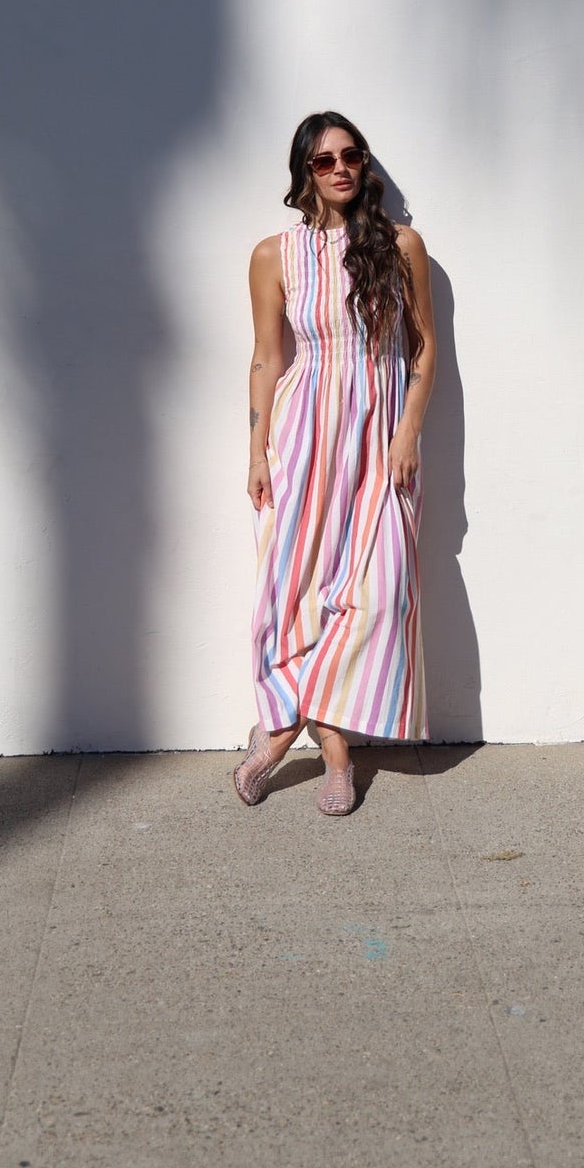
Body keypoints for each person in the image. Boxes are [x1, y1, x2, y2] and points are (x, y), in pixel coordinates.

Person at [235, 111, 436, 816]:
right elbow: (267, 356)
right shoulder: (273, 254)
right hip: (304, 429)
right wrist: (257, 448)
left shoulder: (400, 244)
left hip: (381, 432)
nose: (342, 167)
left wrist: (408, 429)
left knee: (378, 592)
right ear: (304, 174)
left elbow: (423, 349)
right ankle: (334, 753)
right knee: (289, 591)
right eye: (324, 161)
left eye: (352, 155)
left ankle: (284, 726)